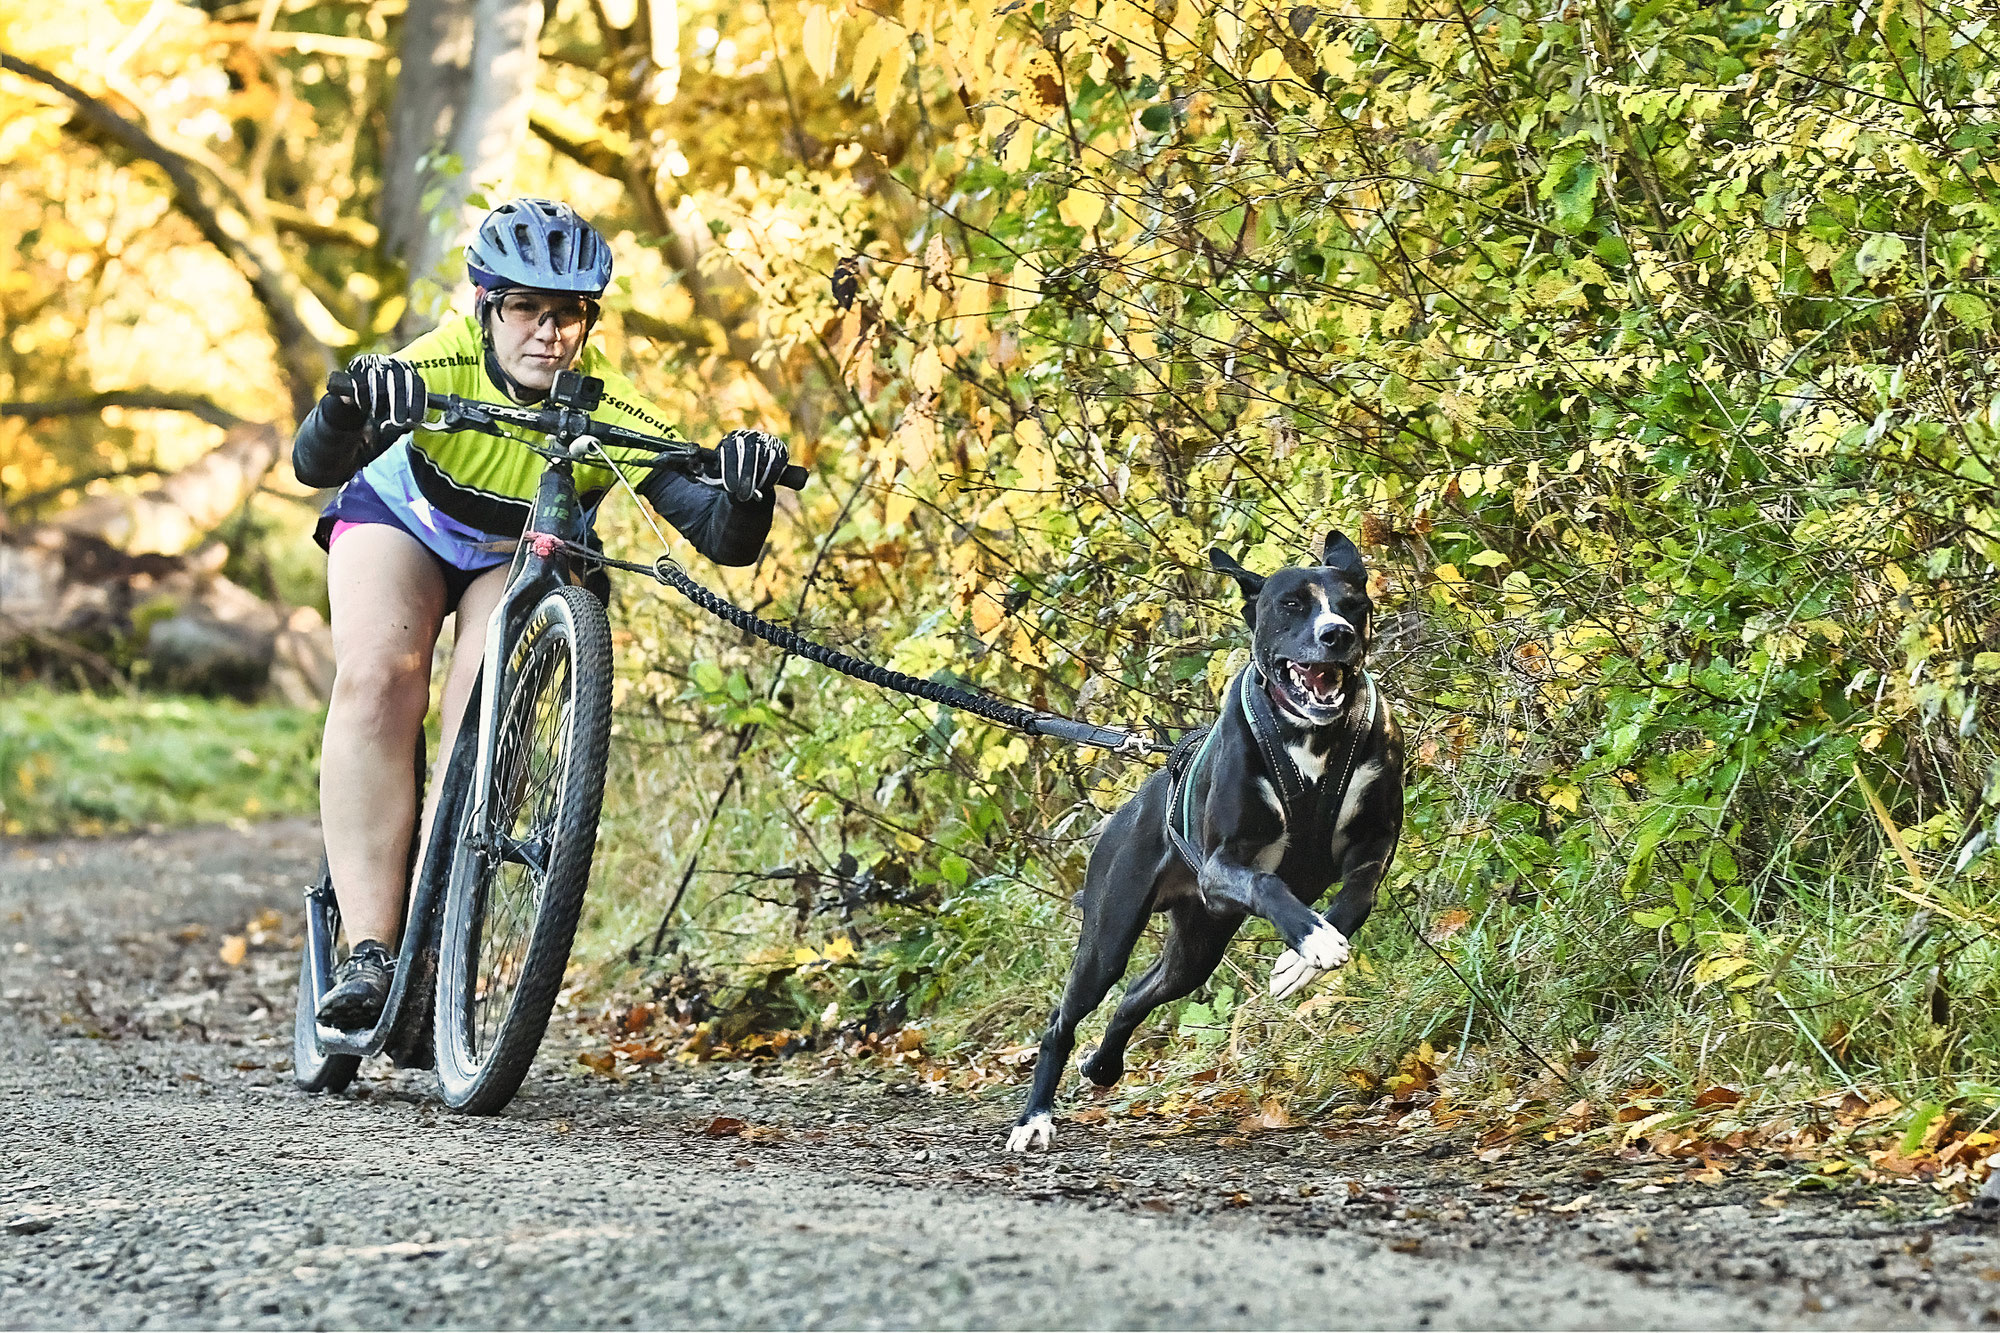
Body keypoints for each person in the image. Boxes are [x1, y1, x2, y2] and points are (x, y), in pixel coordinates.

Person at [292, 197, 790, 1029]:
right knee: (382, 677)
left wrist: (744, 491)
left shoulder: (610, 408)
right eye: (525, 309)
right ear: (488, 309)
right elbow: (317, 461)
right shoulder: (441, 361)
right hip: (403, 523)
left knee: (479, 721)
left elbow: (719, 537)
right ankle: (370, 952)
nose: (547, 332)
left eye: (568, 314)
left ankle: (437, 915)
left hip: (513, 554)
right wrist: (352, 404)